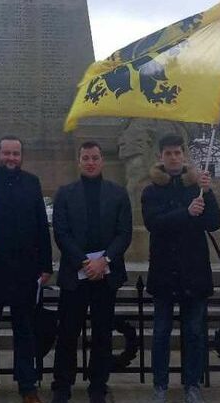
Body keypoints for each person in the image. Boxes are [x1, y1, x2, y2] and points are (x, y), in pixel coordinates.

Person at [0, 135, 52, 403]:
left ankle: (28, 386)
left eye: (16, 154)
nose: (11, 158)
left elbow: (41, 226)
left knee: (25, 332)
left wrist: (46, 265)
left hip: (24, 271)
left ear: (21, 156)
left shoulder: (32, 182)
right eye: (7, 153)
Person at [141, 133, 220, 403]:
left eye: (178, 152)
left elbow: (214, 223)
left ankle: (192, 383)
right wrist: (185, 213)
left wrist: (208, 195)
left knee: (194, 332)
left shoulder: (197, 186)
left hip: (193, 269)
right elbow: (154, 223)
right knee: (161, 332)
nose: (174, 157)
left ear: (184, 155)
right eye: (168, 153)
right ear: (161, 157)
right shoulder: (151, 190)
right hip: (165, 269)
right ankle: (160, 384)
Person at [51, 141, 133, 403]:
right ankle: (62, 385)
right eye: (85, 157)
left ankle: (98, 385)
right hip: (76, 274)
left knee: (102, 333)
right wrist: (84, 262)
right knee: (67, 333)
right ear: (79, 161)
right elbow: (61, 232)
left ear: (102, 161)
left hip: (105, 274)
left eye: (95, 157)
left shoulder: (118, 193)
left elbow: (124, 233)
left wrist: (104, 260)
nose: (90, 162)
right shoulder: (64, 193)